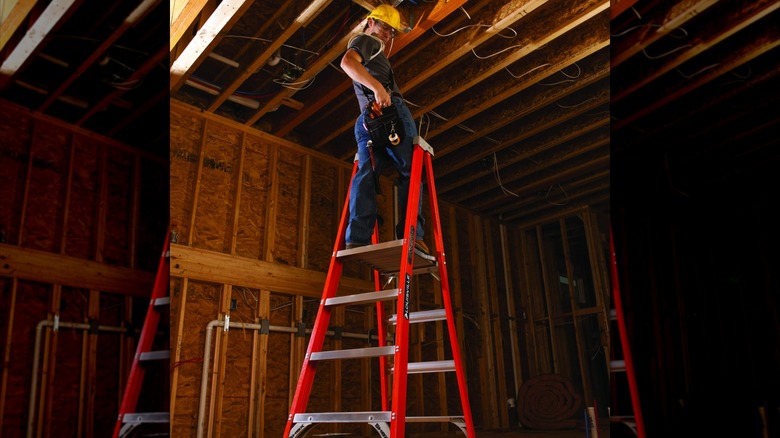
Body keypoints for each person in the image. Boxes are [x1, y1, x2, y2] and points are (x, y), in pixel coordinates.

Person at [340, 4, 428, 254]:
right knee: (411, 172)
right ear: (371, 23)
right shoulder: (367, 41)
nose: (388, 34)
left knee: (367, 174)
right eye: (384, 27)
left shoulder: (372, 49)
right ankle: (413, 235)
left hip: (367, 120)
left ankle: (357, 237)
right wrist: (379, 88)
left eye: (392, 32)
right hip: (389, 113)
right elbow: (347, 63)